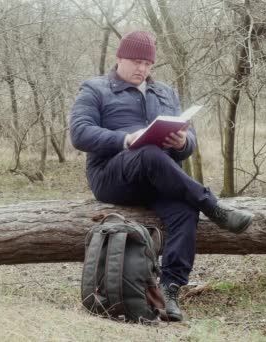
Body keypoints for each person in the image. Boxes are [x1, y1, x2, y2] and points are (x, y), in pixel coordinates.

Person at [69, 30, 253, 322]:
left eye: (148, 64)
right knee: (149, 153)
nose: (141, 69)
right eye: (135, 62)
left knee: (184, 209)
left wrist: (183, 144)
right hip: (112, 176)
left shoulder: (165, 93)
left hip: (157, 179)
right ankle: (212, 205)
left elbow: (187, 143)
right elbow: (79, 134)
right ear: (119, 58)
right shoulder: (95, 89)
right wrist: (127, 139)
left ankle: (169, 291)